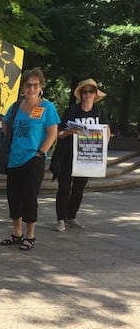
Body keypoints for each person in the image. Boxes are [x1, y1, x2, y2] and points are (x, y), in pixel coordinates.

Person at [0, 67, 60, 250]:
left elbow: (53, 132)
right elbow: (5, 123)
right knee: (13, 197)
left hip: (33, 159)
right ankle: (17, 232)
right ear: (23, 87)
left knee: (29, 197)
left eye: (35, 85)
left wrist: (41, 151)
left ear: (40, 87)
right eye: (28, 85)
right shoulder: (16, 106)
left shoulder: (47, 107)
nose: (31, 89)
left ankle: (30, 234)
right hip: (14, 158)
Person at [52, 78, 111, 232]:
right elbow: (59, 133)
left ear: (95, 94)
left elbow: (106, 131)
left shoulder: (99, 112)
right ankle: (60, 219)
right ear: (80, 95)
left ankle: (71, 216)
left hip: (87, 157)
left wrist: (102, 146)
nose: (88, 94)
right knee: (64, 188)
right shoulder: (71, 111)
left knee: (79, 189)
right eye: (85, 91)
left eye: (91, 91)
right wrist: (68, 132)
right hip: (68, 156)